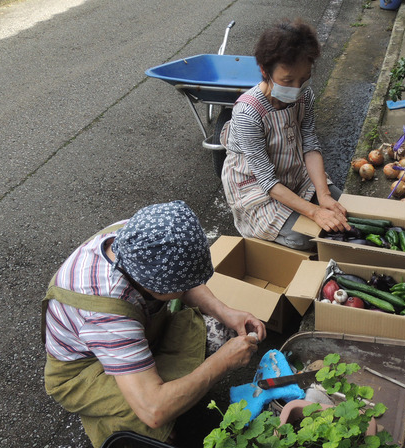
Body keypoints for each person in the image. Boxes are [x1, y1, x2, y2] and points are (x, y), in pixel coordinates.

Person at [41, 200, 266, 447]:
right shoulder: (109, 316)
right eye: (178, 288)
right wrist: (223, 362)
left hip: (125, 338)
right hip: (85, 370)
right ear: (152, 285)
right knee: (155, 423)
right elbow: (154, 410)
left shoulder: (141, 236)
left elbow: (185, 281)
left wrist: (226, 312)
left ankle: (152, 393)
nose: (185, 290)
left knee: (219, 330)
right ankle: (120, 424)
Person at [220, 18, 351, 251]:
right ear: (264, 71)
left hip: (294, 174)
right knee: (306, 238)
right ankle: (256, 229)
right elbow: (268, 181)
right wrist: (314, 211)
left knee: (345, 209)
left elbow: (310, 146)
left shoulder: (305, 96)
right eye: (287, 80)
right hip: (258, 188)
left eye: (303, 79)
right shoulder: (248, 113)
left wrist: (323, 196)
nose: (296, 88)